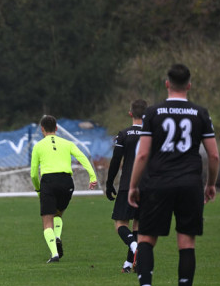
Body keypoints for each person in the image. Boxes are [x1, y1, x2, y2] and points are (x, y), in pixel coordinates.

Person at [125, 63, 219, 286]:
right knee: (186, 243)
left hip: (157, 183)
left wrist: (133, 185)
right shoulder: (200, 113)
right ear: (189, 85)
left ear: (167, 84)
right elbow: (213, 155)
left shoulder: (153, 112)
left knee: (146, 239)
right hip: (189, 184)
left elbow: (143, 153)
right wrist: (210, 183)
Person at [29, 115, 98, 263]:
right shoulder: (68, 143)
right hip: (67, 182)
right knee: (58, 214)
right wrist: (92, 176)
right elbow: (82, 157)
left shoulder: (38, 146)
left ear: (42, 129)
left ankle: (54, 254)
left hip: (49, 182)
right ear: (56, 128)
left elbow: (34, 173)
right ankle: (58, 236)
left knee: (47, 221)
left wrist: (38, 188)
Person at [106, 99, 147, 272]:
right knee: (137, 225)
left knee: (121, 224)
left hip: (127, 185)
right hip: (147, 186)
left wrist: (109, 183)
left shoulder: (123, 134)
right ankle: (129, 264)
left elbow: (116, 161)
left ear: (130, 113)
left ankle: (133, 246)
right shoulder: (152, 135)